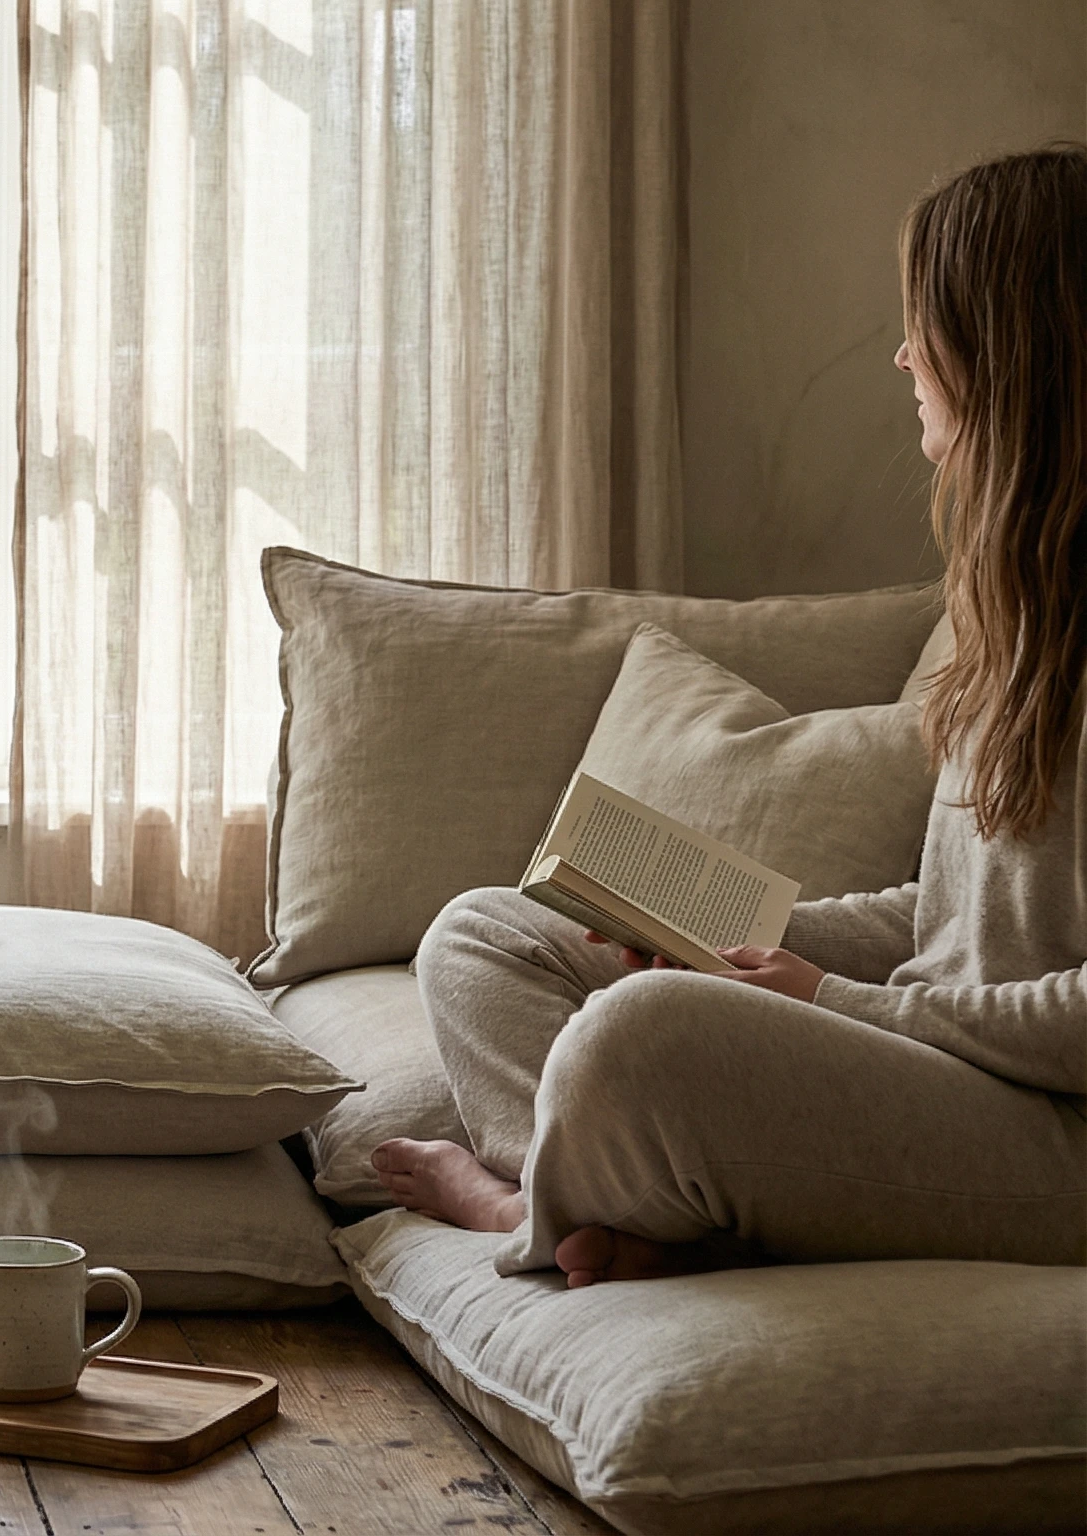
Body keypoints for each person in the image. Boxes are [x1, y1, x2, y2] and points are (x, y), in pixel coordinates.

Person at [370, 143, 1087, 1288]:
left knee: (645, 1034)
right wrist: (744, 933)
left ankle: (525, 1208)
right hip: (952, 1066)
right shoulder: (1021, 617)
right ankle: (582, 1201)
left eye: (926, 326)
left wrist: (832, 1002)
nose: (902, 355)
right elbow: (963, 925)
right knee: (481, 932)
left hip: (1052, 1136)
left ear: (1008, 353)